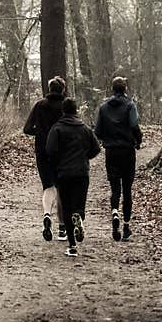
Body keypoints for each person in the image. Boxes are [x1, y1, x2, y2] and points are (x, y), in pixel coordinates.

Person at [46, 98, 101, 257]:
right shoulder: (85, 129)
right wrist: (84, 157)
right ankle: (80, 217)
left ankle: (72, 246)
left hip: (63, 173)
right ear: (76, 110)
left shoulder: (57, 129)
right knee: (79, 204)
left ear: (63, 111)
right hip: (82, 172)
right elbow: (96, 148)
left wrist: (57, 162)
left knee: (67, 208)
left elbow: (50, 151)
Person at [94, 76, 143, 242]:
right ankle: (127, 225)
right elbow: (134, 125)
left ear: (112, 89)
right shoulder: (130, 106)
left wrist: (108, 137)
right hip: (127, 151)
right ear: (125, 89)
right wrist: (138, 140)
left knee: (115, 188)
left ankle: (114, 212)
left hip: (111, 152)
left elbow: (98, 131)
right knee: (127, 190)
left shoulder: (103, 108)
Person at [23, 76, 67, 241]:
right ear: (62, 89)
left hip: (42, 150)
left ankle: (47, 215)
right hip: (61, 151)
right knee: (61, 187)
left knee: (48, 186)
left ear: (49, 89)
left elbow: (27, 128)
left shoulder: (39, 105)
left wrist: (41, 133)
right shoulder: (66, 105)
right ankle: (62, 228)